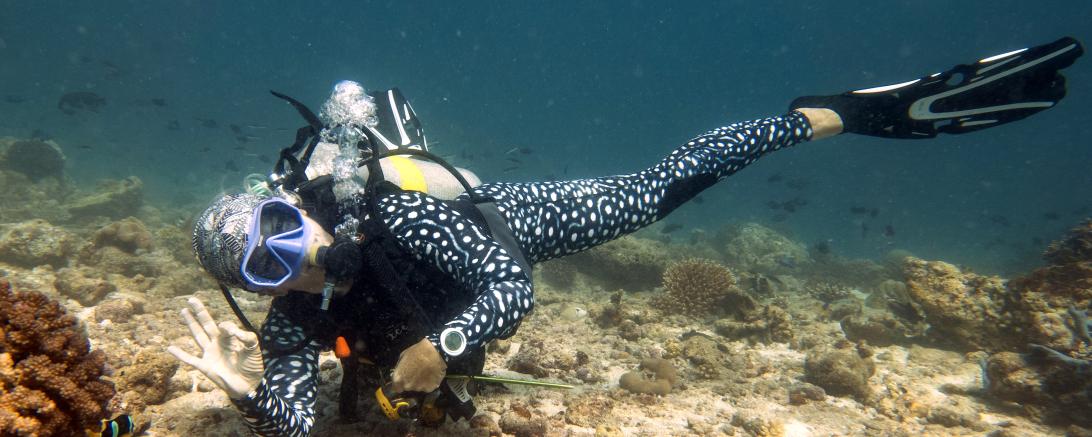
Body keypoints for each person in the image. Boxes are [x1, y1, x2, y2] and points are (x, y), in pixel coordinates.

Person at [169, 37, 1082, 436]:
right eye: (263, 262)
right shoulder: (287, 323)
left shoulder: (393, 210)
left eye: (283, 228)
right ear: (254, 286)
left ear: (303, 208)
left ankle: (839, 113)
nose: (292, 256)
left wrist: (440, 348)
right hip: (431, 324)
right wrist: (250, 393)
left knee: (657, 190)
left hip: (498, 228)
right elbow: (292, 423)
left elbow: (510, 288)